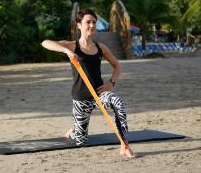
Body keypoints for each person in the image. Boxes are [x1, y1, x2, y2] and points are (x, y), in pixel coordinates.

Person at [42, 9, 139, 158]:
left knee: (117, 102)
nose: (92, 25)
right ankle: (75, 130)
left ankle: (124, 145)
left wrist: (111, 83)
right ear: (79, 25)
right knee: (81, 141)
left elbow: (117, 66)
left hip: (99, 94)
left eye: (94, 22)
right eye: (88, 22)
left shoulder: (101, 48)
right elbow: (46, 43)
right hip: (81, 97)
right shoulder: (73, 46)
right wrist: (66, 51)